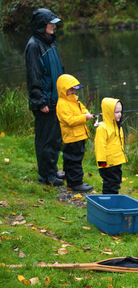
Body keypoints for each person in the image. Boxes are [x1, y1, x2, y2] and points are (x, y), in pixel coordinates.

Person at [24, 8, 65, 186]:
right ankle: (46, 176)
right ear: (42, 25)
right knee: (45, 139)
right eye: (51, 23)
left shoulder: (50, 43)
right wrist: (40, 101)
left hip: (56, 100)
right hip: (45, 102)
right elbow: (34, 75)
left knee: (55, 138)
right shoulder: (34, 45)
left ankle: (52, 169)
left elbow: (59, 69)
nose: (54, 27)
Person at [56, 74, 94, 192]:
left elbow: (83, 109)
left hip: (79, 136)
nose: (73, 92)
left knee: (71, 159)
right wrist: (84, 117)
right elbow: (70, 121)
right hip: (72, 137)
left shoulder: (74, 100)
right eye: (70, 89)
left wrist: (86, 113)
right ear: (63, 90)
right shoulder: (62, 104)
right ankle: (76, 183)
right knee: (74, 161)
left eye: (74, 89)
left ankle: (69, 177)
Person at [95, 97, 127, 194]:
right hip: (108, 163)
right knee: (110, 183)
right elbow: (100, 146)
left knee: (116, 181)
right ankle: (108, 202)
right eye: (116, 112)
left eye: (120, 112)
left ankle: (114, 200)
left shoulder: (117, 126)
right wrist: (101, 161)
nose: (119, 114)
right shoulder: (103, 128)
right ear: (109, 113)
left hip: (117, 160)